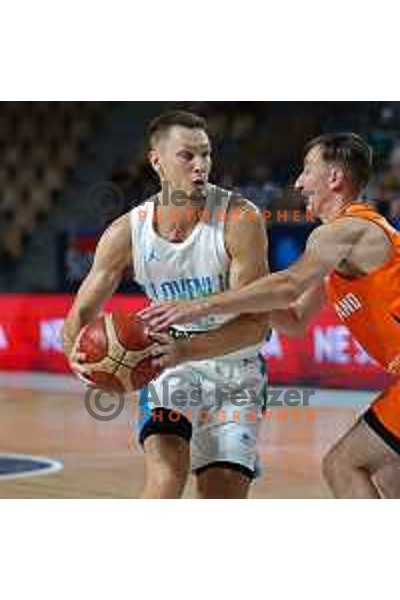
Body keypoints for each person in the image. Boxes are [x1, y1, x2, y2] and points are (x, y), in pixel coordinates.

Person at [139, 132, 400, 499]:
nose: (299, 183)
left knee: (343, 466)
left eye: (307, 170)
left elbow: (288, 284)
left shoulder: (344, 230)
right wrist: (233, 297)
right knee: (392, 479)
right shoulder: (343, 248)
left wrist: (202, 304)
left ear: (334, 178)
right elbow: (296, 318)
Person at [63, 110, 270, 499]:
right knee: (166, 475)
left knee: (220, 494)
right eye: (187, 155)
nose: (201, 165)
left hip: (235, 370)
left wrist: (186, 349)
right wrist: (78, 357)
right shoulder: (127, 231)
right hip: (166, 368)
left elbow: (256, 324)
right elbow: (80, 313)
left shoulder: (239, 218)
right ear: (156, 160)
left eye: (206, 154)